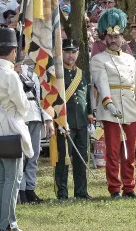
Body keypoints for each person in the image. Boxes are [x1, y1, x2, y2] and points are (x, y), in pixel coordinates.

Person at [90, 8, 136, 198]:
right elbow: (101, 82)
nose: (114, 39)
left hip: (131, 109)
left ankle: (129, 187)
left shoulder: (130, 59)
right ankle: (114, 188)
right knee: (113, 151)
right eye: (110, 36)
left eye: (117, 36)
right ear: (105, 38)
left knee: (129, 152)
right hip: (111, 109)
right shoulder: (99, 59)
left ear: (122, 37)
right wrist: (108, 103)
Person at [0, 28, 32, 231]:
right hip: (11, 131)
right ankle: (8, 224)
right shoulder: (9, 75)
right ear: (13, 51)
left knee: (2, 181)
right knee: (13, 180)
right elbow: (23, 106)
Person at [54, 39, 93, 200]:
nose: (71, 55)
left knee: (81, 158)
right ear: (62, 53)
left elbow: (86, 97)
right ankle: (62, 192)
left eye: (74, 52)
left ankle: (81, 191)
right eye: (68, 52)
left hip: (81, 121)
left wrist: (89, 114)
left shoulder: (81, 73)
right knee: (64, 159)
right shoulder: (57, 74)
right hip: (65, 121)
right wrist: (58, 119)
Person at [17, 54, 54, 205]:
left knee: (34, 154)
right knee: (22, 155)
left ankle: (30, 189)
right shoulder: (12, 70)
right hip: (21, 116)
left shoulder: (38, 72)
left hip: (35, 115)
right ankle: (21, 190)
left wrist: (48, 119)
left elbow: (42, 99)